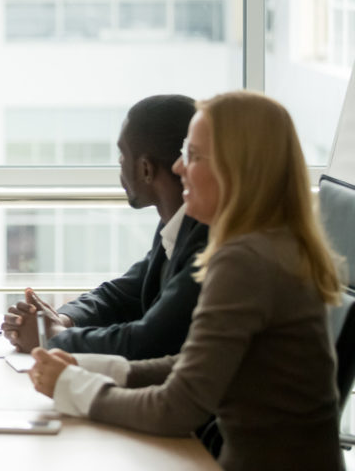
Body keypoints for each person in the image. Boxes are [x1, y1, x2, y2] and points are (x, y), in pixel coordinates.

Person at [29, 92, 343, 471]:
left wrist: (71, 386)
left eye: (192, 155)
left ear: (236, 169)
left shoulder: (245, 261)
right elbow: (193, 363)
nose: (178, 167)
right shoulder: (271, 243)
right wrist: (86, 365)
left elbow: (177, 408)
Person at [2, 94, 209, 360]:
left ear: (146, 169)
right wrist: (63, 319)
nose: (120, 164)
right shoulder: (175, 225)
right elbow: (122, 294)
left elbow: (149, 340)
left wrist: (53, 337)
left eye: (123, 155)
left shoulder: (206, 239)